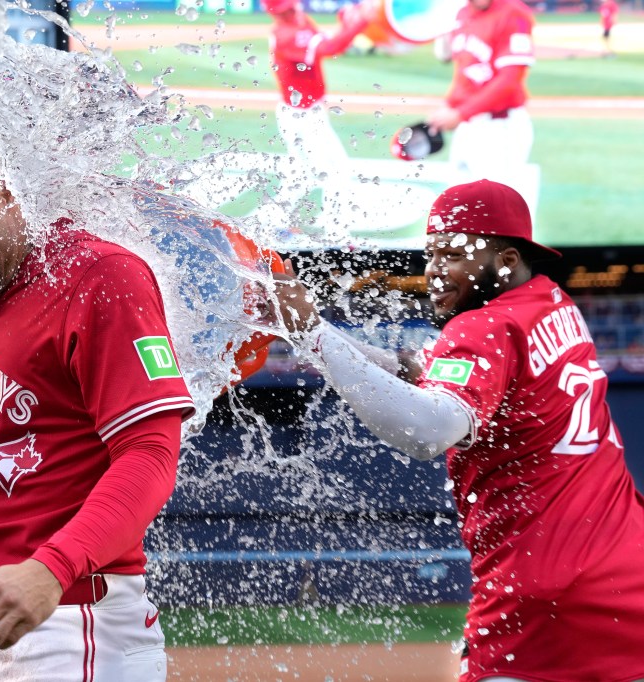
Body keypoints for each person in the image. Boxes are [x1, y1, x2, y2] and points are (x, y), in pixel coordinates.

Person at [271, 179, 644, 681]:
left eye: (453, 254)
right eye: (431, 253)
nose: (434, 271)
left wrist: (314, 337)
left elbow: (429, 429)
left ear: (506, 259)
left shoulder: (481, 327)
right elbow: (419, 369)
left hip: (543, 592)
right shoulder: (551, 303)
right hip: (627, 573)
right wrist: (308, 329)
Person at [0, 125, 196, 680]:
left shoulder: (99, 276)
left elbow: (150, 453)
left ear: (4, 193)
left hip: (71, 622)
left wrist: (51, 569)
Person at [259, 0, 375, 239]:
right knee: (336, 173)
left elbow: (324, 41)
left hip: (301, 113)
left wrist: (346, 20)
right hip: (303, 118)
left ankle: (268, 224)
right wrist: (361, 21)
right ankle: (338, 237)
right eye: (285, 9)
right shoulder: (287, 33)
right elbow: (330, 48)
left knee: (300, 175)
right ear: (275, 12)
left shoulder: (298, 22)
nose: (292, 10)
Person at [428, 0, 535, 196]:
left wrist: (460, 113)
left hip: (501, 131)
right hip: (467, 127)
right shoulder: (460, 13)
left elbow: (509, 81)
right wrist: (449, 106)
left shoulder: (515, 14)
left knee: (495, 212)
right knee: (458, 209)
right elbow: (466, 72)